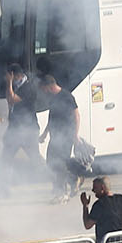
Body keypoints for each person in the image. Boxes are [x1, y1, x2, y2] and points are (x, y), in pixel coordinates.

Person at [38, 67, 80, 200]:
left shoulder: (67, 96)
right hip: (55, 136)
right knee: (51, 162)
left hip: (66, 136)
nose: (43, 92)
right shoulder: (53, 98)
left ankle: (61, 193)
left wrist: (75, 135)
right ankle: (73, 180)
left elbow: (76, 115)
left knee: (60, 164)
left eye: (43, 88)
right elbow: (52, 117)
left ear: (50, 86)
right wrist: (45, 133)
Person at [0, 63, 40, 192]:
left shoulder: (29, 87)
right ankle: (4, 189)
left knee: (36, 159)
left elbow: (11, 100)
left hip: (28, 130)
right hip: (14, 130)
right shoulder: (16, 86)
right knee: (5, 159)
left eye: (10, 77)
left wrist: (9, 83)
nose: (7, 79)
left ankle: (63, 178)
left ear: (17, 76)